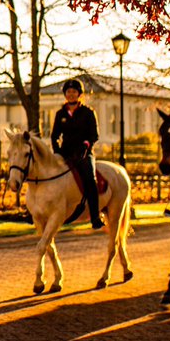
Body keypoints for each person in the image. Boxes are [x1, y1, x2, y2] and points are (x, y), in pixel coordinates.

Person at [49, 78, 102, 229]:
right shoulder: (60, 114)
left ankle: (95, 217)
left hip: (84, 153)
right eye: (68, 92)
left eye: (74, 92)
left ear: (79, 94)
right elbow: (55, 135)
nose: (71, 94)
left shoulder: (88, 113)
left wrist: (86, 145)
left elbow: (94, 135)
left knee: (90, 180)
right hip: (65, 153)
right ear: (65, 94)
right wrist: (57, 151)